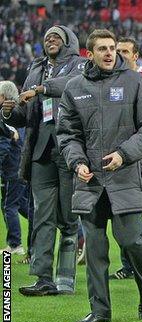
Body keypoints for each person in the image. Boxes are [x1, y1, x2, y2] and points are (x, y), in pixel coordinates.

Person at [56, 29, 142, 322]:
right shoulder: (74, 88)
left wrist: (123, 155)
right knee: (96, 251)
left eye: (112, 48)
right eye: (102, 48)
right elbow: (67, 134)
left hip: (126, 176)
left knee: (131, 241)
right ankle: (100, 311)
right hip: (90, 183)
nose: (109, 53)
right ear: (90, 53)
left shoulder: (137, 83)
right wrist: (76, 162)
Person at [2, 25, 85, 296]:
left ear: (67, 42)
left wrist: (39, 89)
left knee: (69, 217)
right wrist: (9, 113)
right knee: (42, 217)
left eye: (56, 37)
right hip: (40, 151)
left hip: (70, 149)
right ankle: (43, 279)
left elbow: (70, 87)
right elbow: (25, 115)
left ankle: (66, 278)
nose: (50, 40)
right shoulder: (36, 68)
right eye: (47, 36)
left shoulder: (80, 65)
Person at [107, 36, 142, 279]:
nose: (119, 55)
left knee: (134, 214)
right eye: (118, 51)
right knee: (125, 212)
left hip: (140, 156)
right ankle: (132, 265)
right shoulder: (112, 78)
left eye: (125, 51)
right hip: (117, 157)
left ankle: (141, 265)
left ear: (135, 55)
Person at [0, 81, 29, 255]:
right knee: (24, 206)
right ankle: (78, 235)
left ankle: (15, 244)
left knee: (8, 205)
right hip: (21, 168)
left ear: (3, 97)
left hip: (12, 169)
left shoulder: (6, 116)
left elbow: (4, 145)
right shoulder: (20, 114)